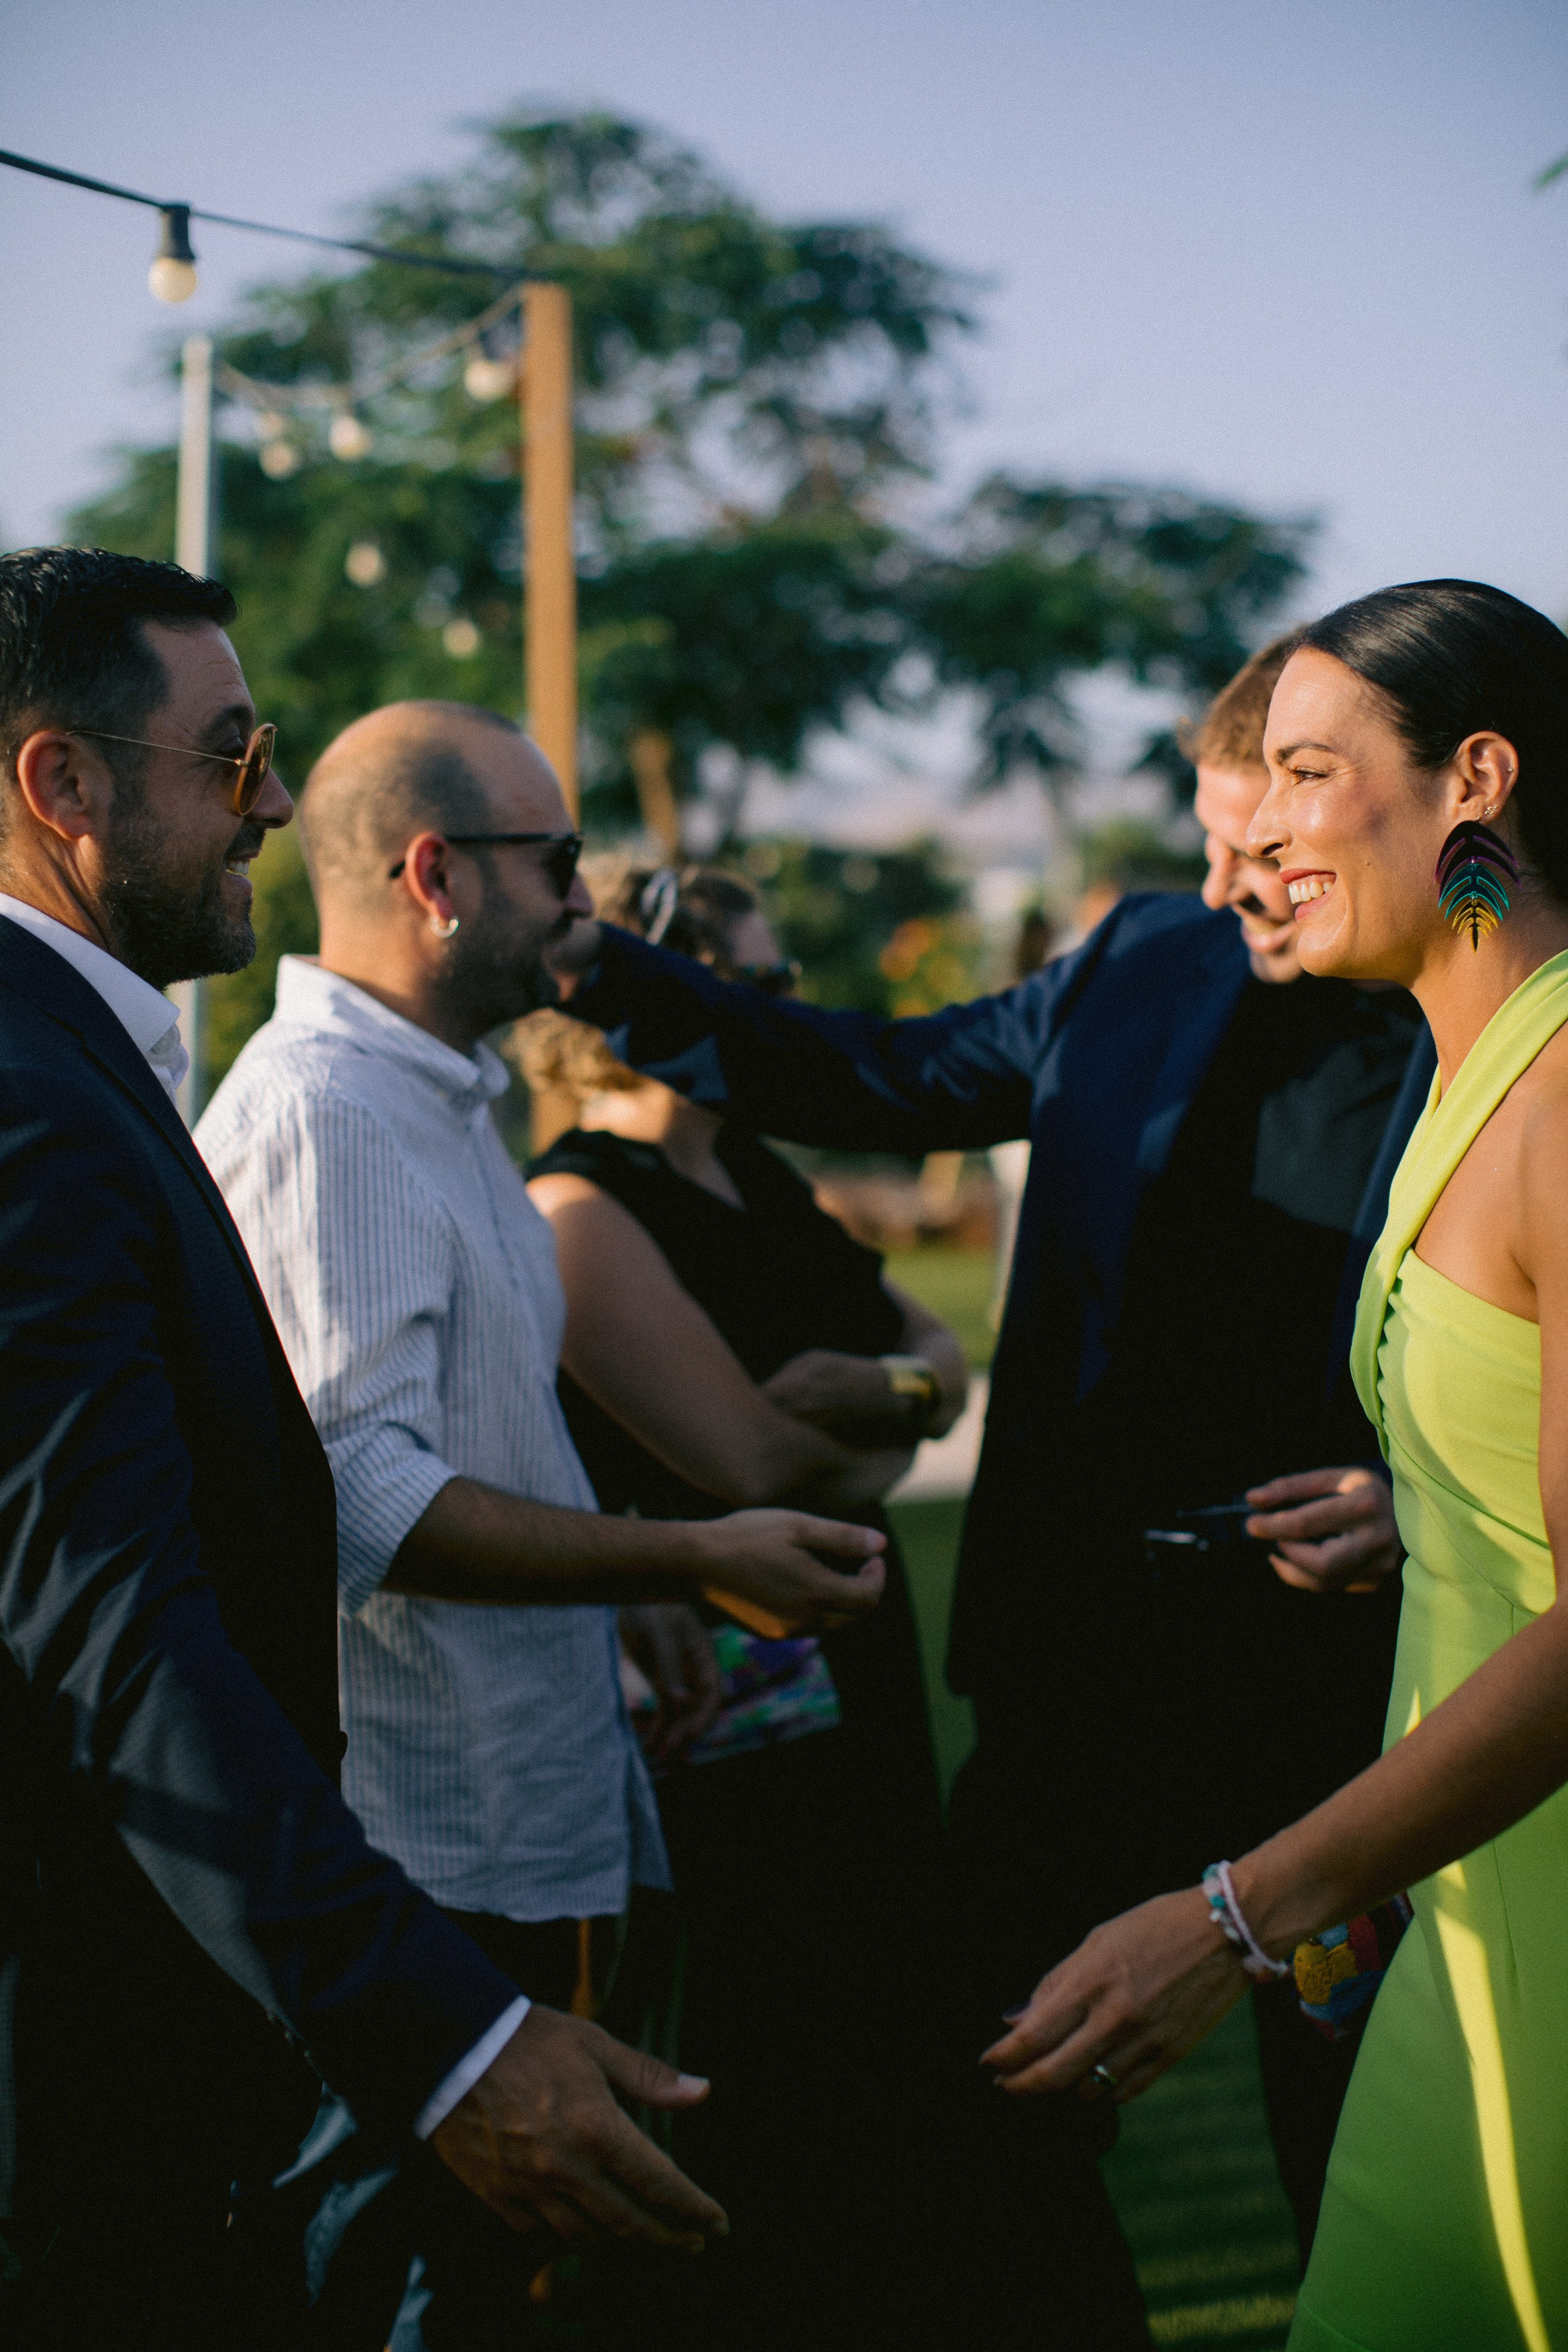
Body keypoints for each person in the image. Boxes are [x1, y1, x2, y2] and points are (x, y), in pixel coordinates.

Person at [551, 628, 1435, 2341]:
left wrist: (1410, 1500)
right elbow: (870, 1075)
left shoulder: (1475, 1012)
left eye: (1259, 849)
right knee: (981, 2104)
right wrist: (603, 969)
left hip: (1337, 1697)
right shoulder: (1141, 960)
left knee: (1359, 2137)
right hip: (1077, 1670)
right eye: (1209, 840)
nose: (1223, 886)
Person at [0, 552, 733, 2352]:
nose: (268, 806)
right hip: (120, 2017)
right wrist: (443, 2035)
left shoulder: (79, 1063)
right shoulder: (32, 1091)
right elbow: (117, 1630)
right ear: (62, 785)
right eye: (233, 756)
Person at [195, 704, 885, 2346]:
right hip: (421, 1872)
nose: (586, 897)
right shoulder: (327, 1115)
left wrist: (613, 1599)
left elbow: (460, 1442)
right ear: (436, 876)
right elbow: (365, 1497)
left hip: (508, 1842)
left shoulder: (437, 1101)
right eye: (558, 860)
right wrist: (689, 1554)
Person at [984, 579, 1568, 2352]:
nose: (1263, 836)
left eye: (1309, 776)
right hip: (1452, 1895)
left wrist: (1241, 1915)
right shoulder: (1468, 1077)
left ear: (1476, 780)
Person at [523, 863, 967, 2350]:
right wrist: (880, 1424)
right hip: (722, 1690)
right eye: (754, 984)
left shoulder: (755, 1172)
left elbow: (931, 1357)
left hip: (853, 1645)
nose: (779, 1011)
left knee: (881, 2024)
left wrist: (881, 1394)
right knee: (765, 2037)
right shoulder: (580, 1204)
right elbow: (752, 1461)